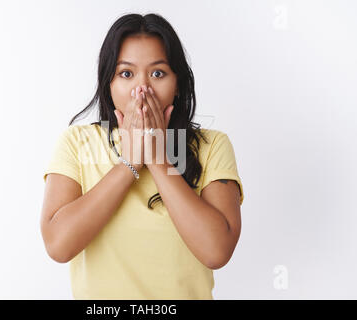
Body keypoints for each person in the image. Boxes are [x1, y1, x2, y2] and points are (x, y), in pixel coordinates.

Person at [40, 13, 244, 300]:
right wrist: (130, 162)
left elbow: (216, 251)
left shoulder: (212, 146)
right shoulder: (77, 142)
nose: (142, 90)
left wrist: (159, 160)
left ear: (177, 83)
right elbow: (59, 246)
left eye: (158, 73)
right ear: (108, 83)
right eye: (126, 73)